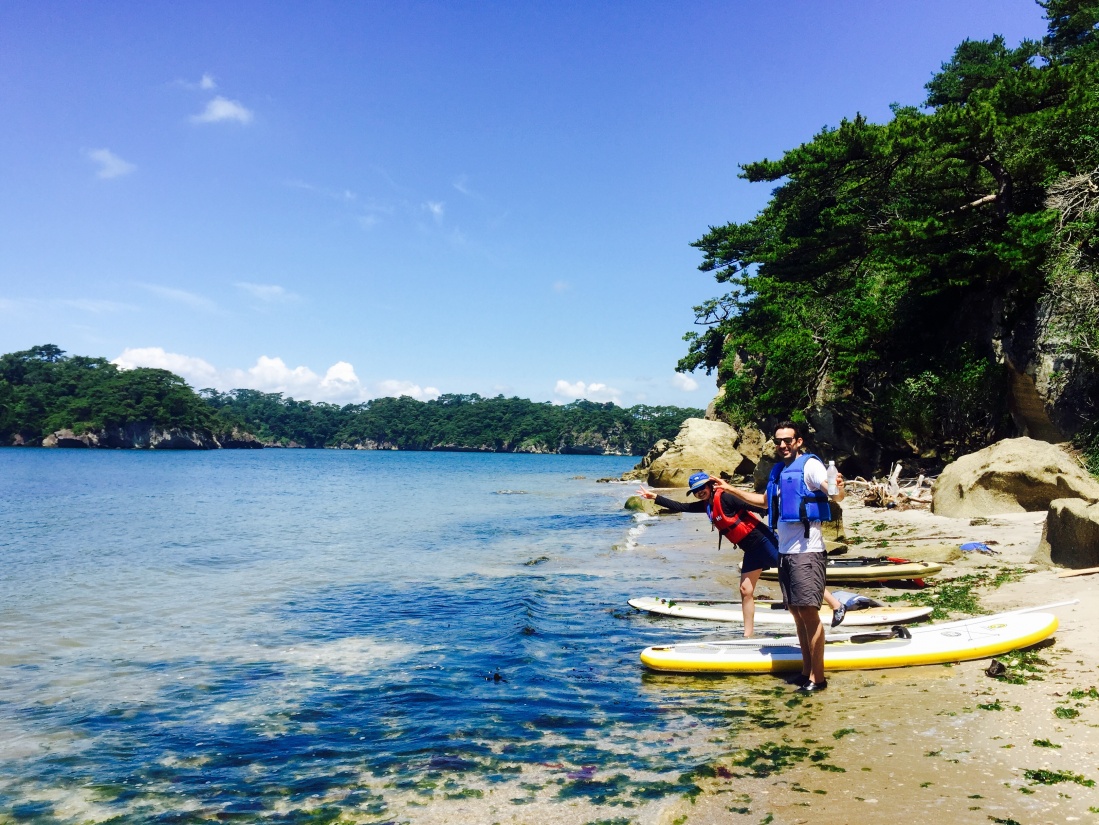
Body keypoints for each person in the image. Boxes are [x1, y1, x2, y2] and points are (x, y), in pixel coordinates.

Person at [715, 421, 845, 693]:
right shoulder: (778, 471)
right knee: (797, 614)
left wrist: (838, 487)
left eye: (788, 440)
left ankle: (817, 679)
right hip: (786, 551)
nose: (783, 445)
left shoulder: (810, 466)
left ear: (799, 442)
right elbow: (764, 502)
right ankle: (806, 672)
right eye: (778, 441)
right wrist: (729, 489)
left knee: (809, 614)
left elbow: (834, 493)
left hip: (807, 551)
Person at [636, 471, 845, 638]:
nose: (699, 492)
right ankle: (748, 634)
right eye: (696, 491)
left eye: (702, 488)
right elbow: (681, 506)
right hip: (751, 550)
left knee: (795, 578)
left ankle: (836, 605)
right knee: (746, 590)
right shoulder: (707, 505)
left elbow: (753, 505)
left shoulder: (726, 498)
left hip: (764, 542)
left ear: (710, 486)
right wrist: (655, 497)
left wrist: (782, 521)